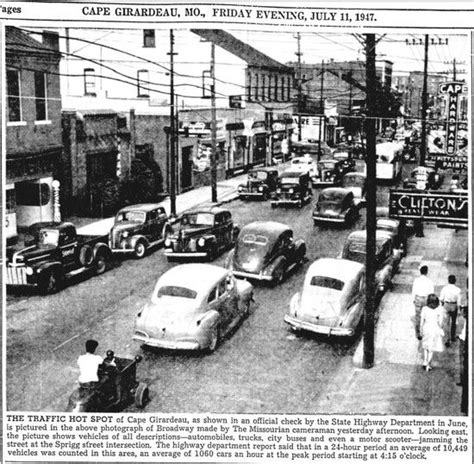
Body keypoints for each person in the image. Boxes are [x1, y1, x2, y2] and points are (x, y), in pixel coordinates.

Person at [420, 294, 445, 371]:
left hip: (426, 327)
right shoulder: (439, 309)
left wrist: (420, 329)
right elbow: (440, 323)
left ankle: (424, 361)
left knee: (425, 346)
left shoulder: (424, 309)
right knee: (431, 348)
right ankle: (428, 364)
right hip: (434, 328)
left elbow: (421, 321)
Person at [411, 265, 435, 340]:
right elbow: (431, 292)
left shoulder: (416, 280)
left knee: (418, 316)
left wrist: (413, 300)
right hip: (425, 299)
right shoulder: (429, 281)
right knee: (425, 316)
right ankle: (424, 331)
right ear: (426, 272)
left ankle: (418, 333)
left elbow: (413, 291)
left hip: (418, 298)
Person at [439, 275, 462, 346]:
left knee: (446, 323)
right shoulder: (458, 290)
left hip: (446, 305)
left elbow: (441, 298)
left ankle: (446, 339)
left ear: (448, 280)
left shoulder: (444, 289)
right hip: (454, 306)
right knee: (453, 322)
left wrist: (442, 304)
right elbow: (459, 301)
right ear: (455, 281)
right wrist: (459, 310)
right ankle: (452, 337)